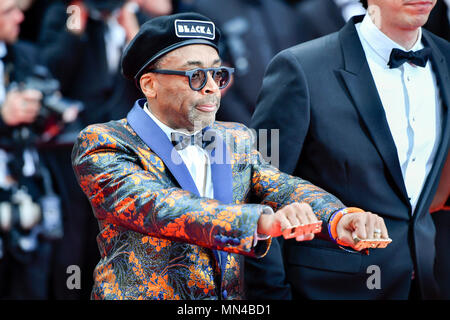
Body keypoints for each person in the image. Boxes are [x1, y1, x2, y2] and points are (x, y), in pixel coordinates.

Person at [71, 12, 390, 300]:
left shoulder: (236, 136)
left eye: (218, 74)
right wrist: (261, 221)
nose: (213, 87)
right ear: (150, 84)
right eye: (195, 76)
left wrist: (337, 217)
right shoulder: (103, 141)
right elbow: (159, 206)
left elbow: (280, 185)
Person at [250, 0, 450, 299]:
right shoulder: (300, 67)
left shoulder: (445, 57)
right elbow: (257, 189)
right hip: (327, 289)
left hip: (424, 280)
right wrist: (270, 295)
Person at [190, 0, 308, 126]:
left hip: (289, 117)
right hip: (240, 123)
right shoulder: (205, 9)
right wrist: (248, 129)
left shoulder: (283, 9)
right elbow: (217, 85)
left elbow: (299, 68)